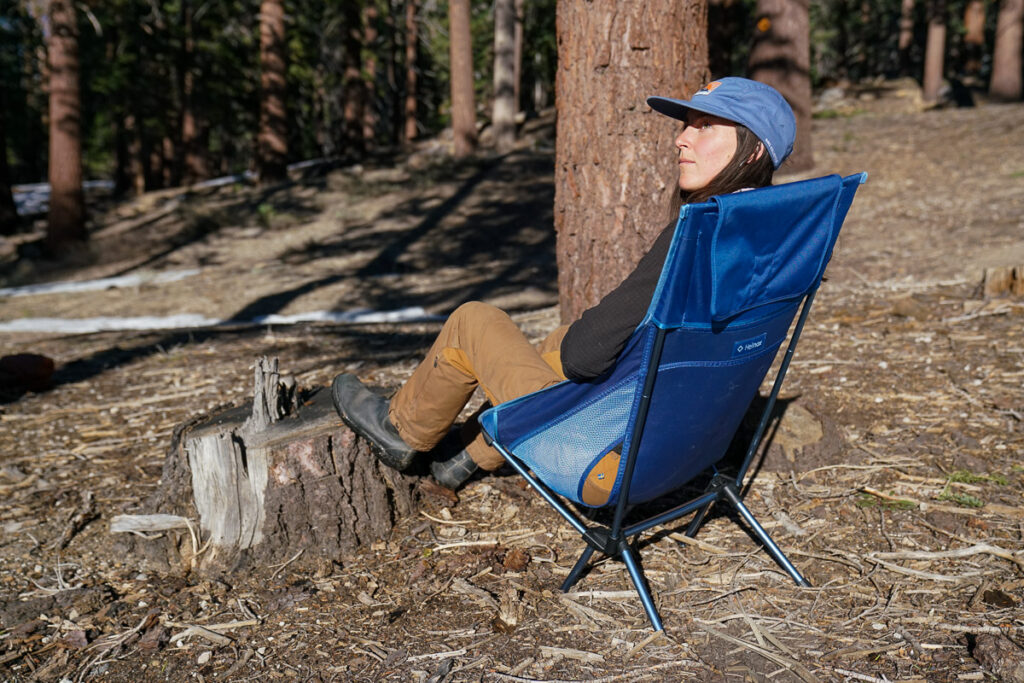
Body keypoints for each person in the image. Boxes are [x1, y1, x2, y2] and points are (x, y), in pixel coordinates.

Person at [332, 77, 796, 490]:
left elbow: (586, 355)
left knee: (475, 322)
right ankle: (465, 456)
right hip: (678, 450)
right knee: (557, 342)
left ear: (753, 150)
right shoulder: (778, 238)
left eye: (704, 126)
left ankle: (401, 430)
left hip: (601, 460)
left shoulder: (698, 234)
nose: (680, 139)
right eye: (686, 124)